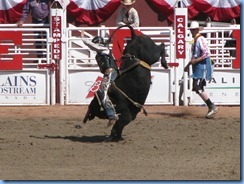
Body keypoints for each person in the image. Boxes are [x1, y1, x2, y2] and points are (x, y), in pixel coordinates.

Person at [81, 31, 119, 126]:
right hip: (109, 73)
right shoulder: (104, 51)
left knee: (102, 92)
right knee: (102, 92)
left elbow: (94, 46)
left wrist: (83, 39)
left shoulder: (103, 49)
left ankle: (112, 115)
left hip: (110, 72)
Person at [184, 21, 218, 118]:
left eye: (193, 30)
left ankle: (211, 106)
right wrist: (189, 65)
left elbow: (207, 53)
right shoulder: (196, 39)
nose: (192, 31)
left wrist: (195, 61)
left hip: (201, 66)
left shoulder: (200, 39)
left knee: (197, 86)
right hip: (198, 65)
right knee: (198, 87)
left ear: (197, 30)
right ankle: (211, 106)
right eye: (191, 30)